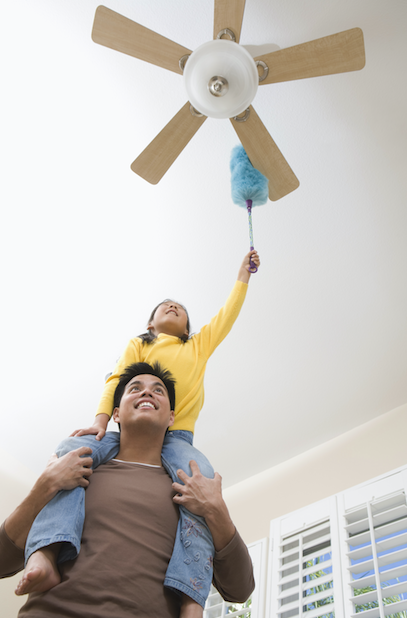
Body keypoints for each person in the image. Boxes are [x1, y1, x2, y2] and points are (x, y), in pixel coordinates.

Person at [23, 250, 260, 615]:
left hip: (179, 441)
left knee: (203, 480)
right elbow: (117, 378)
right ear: (150, 325)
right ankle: (44, 554)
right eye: (164, 305)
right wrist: (102, 420)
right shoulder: (140, 345)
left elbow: (227, 315)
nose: (172, 307)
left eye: (179, 308)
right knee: (69, 449)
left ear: (188, 329)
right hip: (117, 432)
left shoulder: (196, 346)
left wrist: (242, 276)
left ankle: (191, 601)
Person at [4, 362, 255, 618]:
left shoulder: (192, 489)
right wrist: (44, 487)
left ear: (171, 417)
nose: (146, 393)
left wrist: (216, 511)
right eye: (135, 388)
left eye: (158, 390)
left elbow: (240, 591)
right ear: (116, 414)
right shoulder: (74, 470)